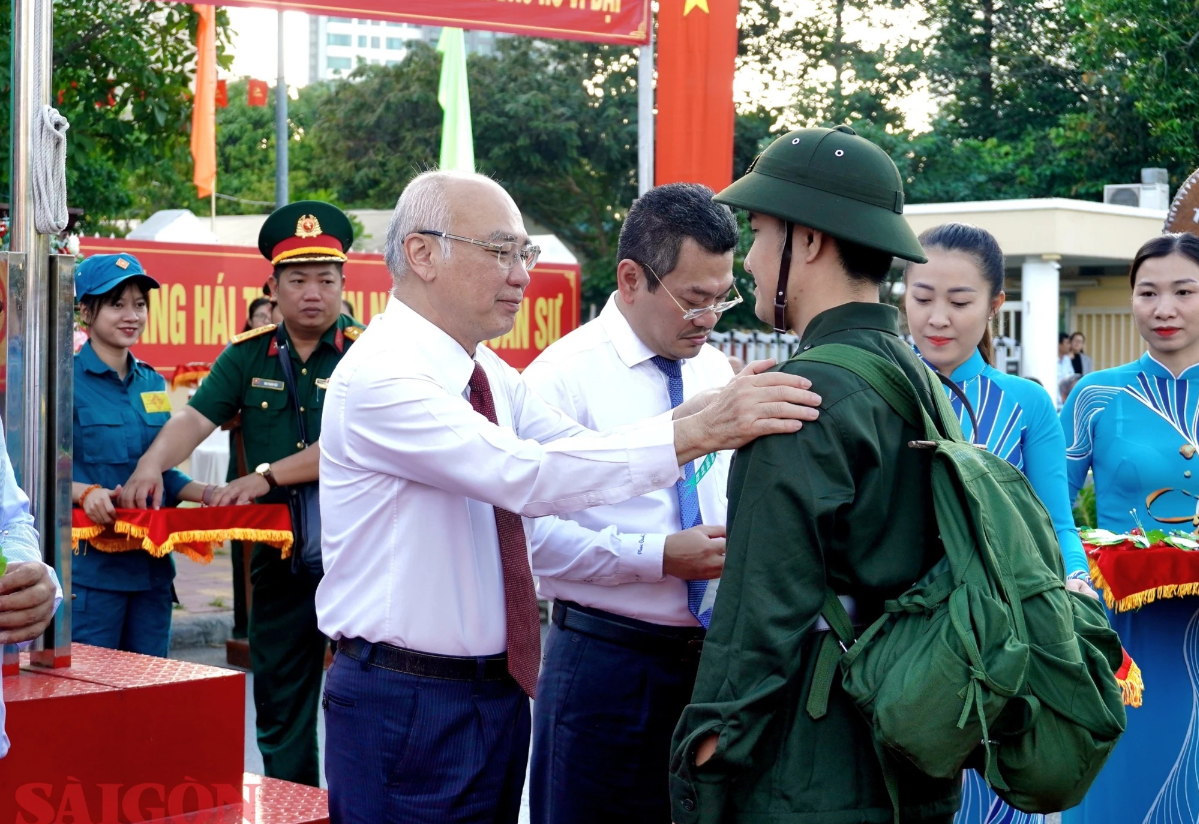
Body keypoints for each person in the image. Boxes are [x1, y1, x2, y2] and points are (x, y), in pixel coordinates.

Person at [315, 169, 823, 824]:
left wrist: (713, 410)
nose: (521, 274)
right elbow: (530, 476)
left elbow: (577, 445)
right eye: (500, 252)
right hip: (407, 695)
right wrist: (704, 429)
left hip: (488, 691)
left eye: (523, 253)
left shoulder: (482, 369)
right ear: (420, 253)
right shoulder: (383, 378)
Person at [669, 125, 961, 824]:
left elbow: (757, 615)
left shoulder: (796, 398)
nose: (750, 260)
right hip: (912, 741)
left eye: (761, 233)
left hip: (807, 764)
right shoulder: (914, 374)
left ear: (809, 241)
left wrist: (703, 760)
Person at [120, 201, 363, 787]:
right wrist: (151, 465)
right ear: (273, 287)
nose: (313, 293)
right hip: (277, 560)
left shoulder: (369, 355)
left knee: (365, 701)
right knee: (280, 703)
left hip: (362, 555)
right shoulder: (249, 353)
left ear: (343, 284)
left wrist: (269, 474)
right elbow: (195, 420)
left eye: (325, 280)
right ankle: (294, 805)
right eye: (298, 280)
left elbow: (359, 446)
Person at [524, 183, 741, 824]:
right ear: (630, 279)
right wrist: (657, 557)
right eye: (694, 300)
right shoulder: (560, 378)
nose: (708, 318)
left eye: (722, 298)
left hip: (708, 667)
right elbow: (527, 537)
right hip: (605, 664)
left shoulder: (714, 371)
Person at [904, 224, 1098, 824]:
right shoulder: (874, 390)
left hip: (1000, 642)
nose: (938, 317)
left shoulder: (1027, 403)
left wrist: (1074, 580)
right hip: (899, 640)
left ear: (995, 306)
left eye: (960, 302)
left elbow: (1054, 520)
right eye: (921, 296)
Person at [1060, 232, 1199, 824]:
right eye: (1148, 292)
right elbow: (1049, 508)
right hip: (1124, 641)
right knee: (1121, 790)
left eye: (1183, 291)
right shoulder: (1095, 395)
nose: (1163, 308)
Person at [71, 254, 210, 656]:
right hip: (93, 576)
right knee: (90, 696)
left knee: (150, 697)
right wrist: (83, 492)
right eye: (117, 304)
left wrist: (207, 492)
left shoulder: (150, 380)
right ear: (86, 312)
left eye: (140, 304)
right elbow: (34, 474)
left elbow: (159, 471)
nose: (132, 315)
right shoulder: (63, 381)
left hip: (152, 570)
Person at [1056, 332, 1074, 406]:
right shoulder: (1049, 361)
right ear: (1059, 345)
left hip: (1066, 401)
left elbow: (1072, 378)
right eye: (1067, 343)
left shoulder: (1067, 360)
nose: (1070, 346)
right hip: (1054, 400)